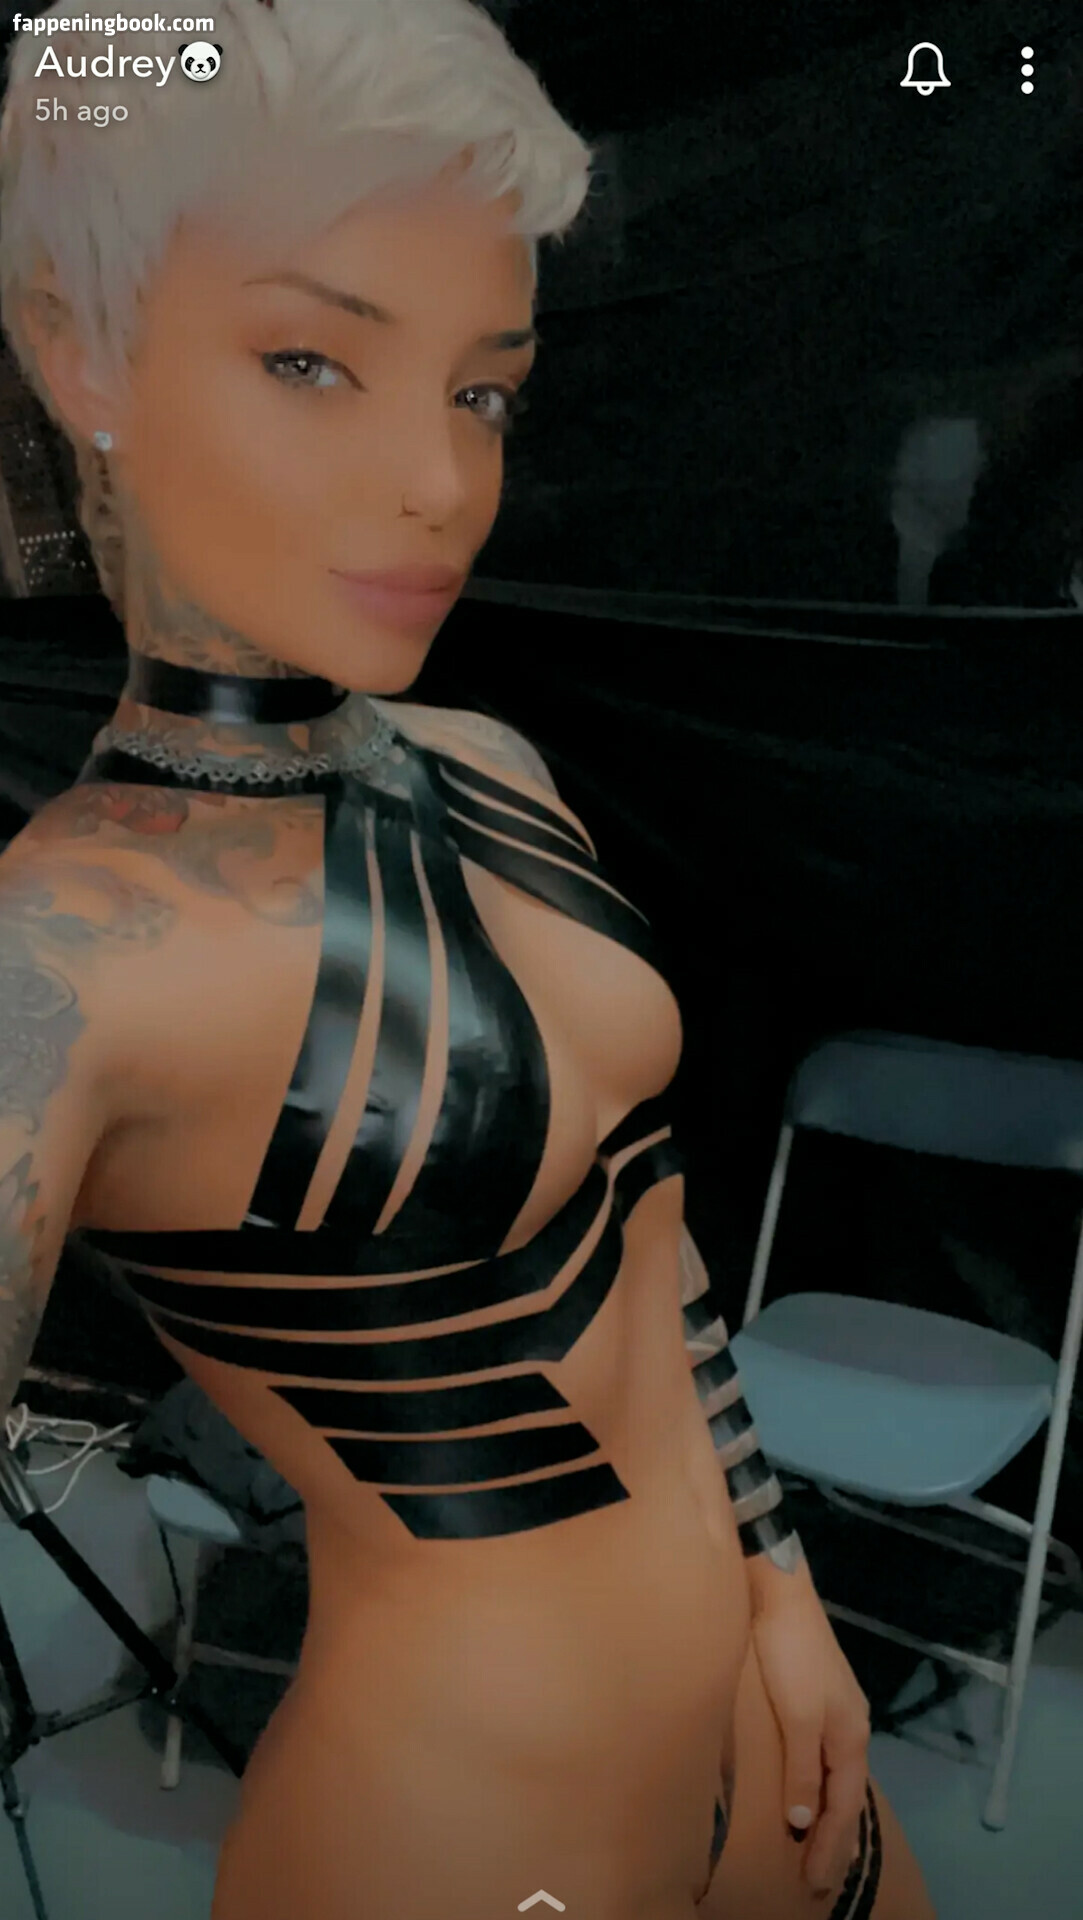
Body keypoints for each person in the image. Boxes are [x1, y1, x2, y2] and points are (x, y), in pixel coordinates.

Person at [0, 4, 936, 1917]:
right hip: (460, 1844)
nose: (441, 482)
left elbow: (653, 1245)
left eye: (483, 392)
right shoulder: (64, 964)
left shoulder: (489, 762)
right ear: (77, 344)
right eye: (312, 360)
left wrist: (783, 1596)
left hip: (770, 1767)